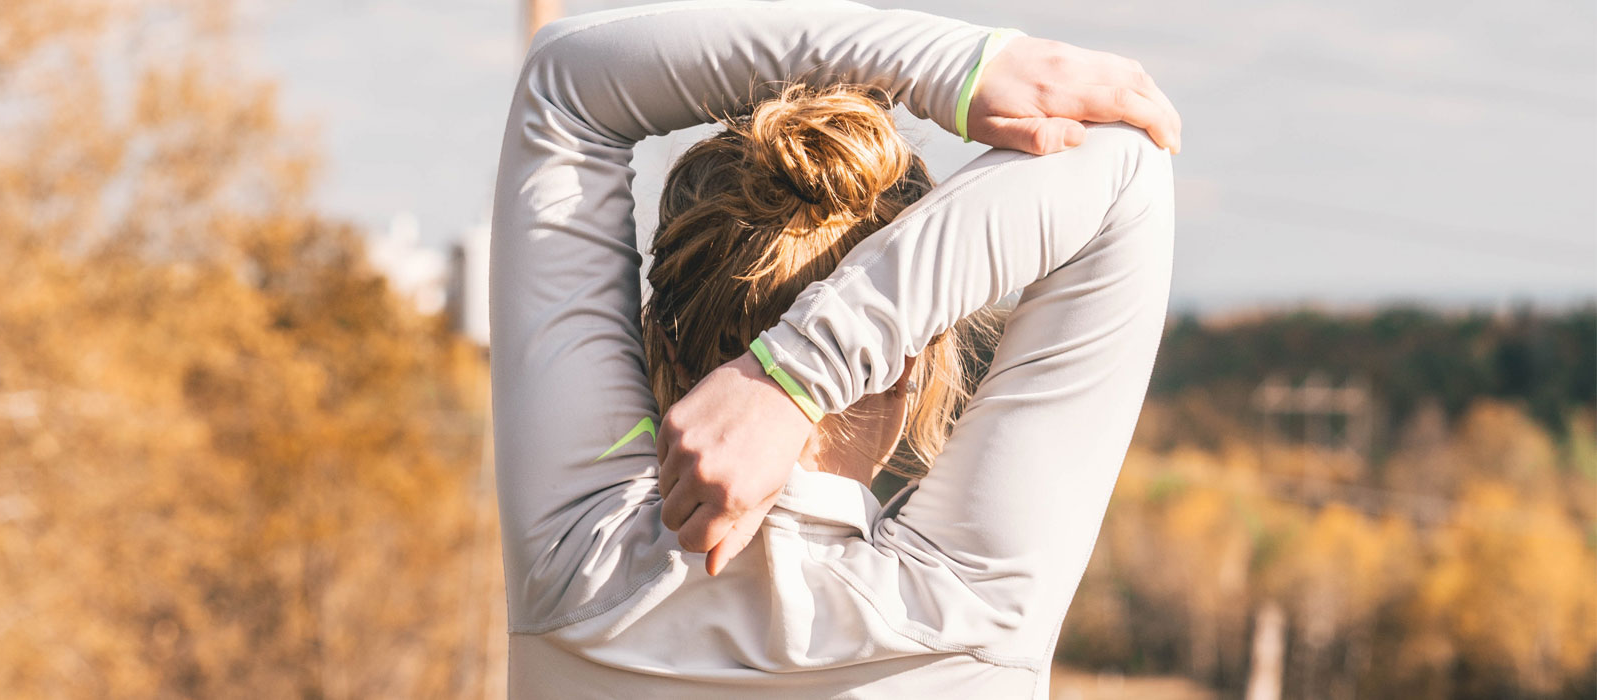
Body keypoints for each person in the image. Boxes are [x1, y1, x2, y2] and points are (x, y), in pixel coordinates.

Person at [489, 1, 1180, 697]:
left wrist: (962, 68)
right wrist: (792, 377)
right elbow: (1126, 163)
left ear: (661, 352)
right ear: (910, 360)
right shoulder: (970, 607)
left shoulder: (576, 566)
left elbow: (567, 78)